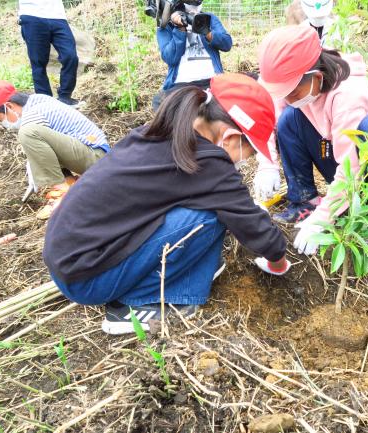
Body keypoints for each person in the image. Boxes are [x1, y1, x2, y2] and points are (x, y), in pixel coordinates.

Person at [43, 73, 291, 335]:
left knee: (209, 207)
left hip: (70, 259)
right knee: (212, 216)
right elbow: (254, 227)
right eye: (249, 153)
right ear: (229, 137)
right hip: (88, 279)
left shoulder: (163, 133)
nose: (245, 161)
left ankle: (183, 276)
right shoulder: (210, 164)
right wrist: (278, 261)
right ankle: (131, 306)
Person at [255, 25, 368, 255]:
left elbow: (352, 166)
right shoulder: (300, 87)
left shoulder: (349, 95)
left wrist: (323, 220)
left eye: (291, 92)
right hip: (341, 155)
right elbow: (268, 118)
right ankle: (305, 201)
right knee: (289, 119)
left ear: (316, 77)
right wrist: (266, 165)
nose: (287, 98)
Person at [0, 80, 109, 219]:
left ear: (9, 106)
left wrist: (34, 165)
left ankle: (62, 192)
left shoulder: (33, 113)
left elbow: (36, 144)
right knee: (34, 143)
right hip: (93, 154)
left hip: (96, 157)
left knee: (27, 133)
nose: (3, 124)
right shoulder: (37, 101)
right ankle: (69, 183)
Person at [153, 0, 232, 110]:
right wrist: (179, 29)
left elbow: (227, 44)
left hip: (212, 80)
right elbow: (169, 58)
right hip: (181, 84)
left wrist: (207, 31)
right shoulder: (166, 24)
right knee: (160, 103)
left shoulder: (209, 18)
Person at [18, 0, 83, 107]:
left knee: (70, 56)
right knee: (38, 63)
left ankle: (65, 97)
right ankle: (46, 102)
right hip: (31, 15)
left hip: (58, 17)